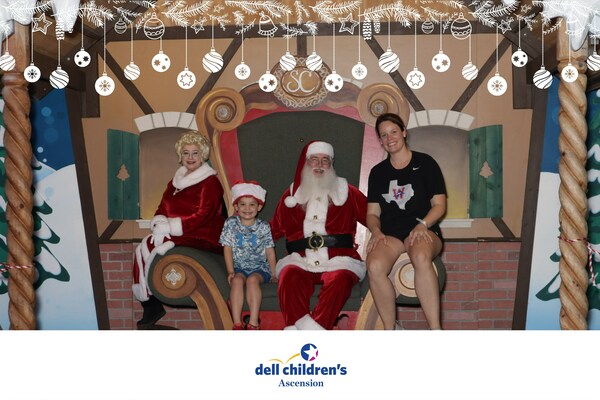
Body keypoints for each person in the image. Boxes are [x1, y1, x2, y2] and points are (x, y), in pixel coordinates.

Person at [132, 131, 225, 329]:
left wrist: (172, 227)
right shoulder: (175, 181)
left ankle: (152, 301)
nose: (190, 157)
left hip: (203, 233)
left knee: (151, 244)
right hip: (180, 231)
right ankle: (149, 302)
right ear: (180, 155)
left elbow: (205, 214)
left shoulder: (210, 181)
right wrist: (159, 223)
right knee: (143, 246)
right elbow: (162, 207)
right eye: (186, 153)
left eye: (195, 153)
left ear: (203, 155)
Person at [270, 141, 367, 330]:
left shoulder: (348, 192)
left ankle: (304, 334)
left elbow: (374, 218)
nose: (320, 165)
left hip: (339, 259)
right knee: (288, 275)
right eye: (314, 159)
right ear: (306, 163)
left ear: (331, 164)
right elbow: (274, 230)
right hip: (301, 260)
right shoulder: (292, 195)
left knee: (340, 279)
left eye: (325, 160)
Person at [366, 113, 447, 330]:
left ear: (403, 132)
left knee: (420, 256)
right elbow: (372, 213)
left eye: (393, 131)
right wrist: (375, 231)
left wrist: (423, 224)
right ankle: (390, 328)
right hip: (390, 233)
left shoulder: (426, 163)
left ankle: (435, 329)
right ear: (380, 140)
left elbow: (439, 205)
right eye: (384, 135)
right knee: (374, 266)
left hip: (423, 228)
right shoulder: (377, 173)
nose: (389, 138)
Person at [219, 181, 277, 330]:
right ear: (236, 207)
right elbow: (227, 249)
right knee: (237, 281)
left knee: (252, 280)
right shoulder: (231, 224)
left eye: (252, 205)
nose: (247, 208)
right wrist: (231, 271)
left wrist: (274, 273)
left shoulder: (263, 226)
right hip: (239, 268)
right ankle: (237, 324)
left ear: (259, 207)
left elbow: (270, 251)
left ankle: (253, 323)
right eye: (243, 204)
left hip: (260, 268)